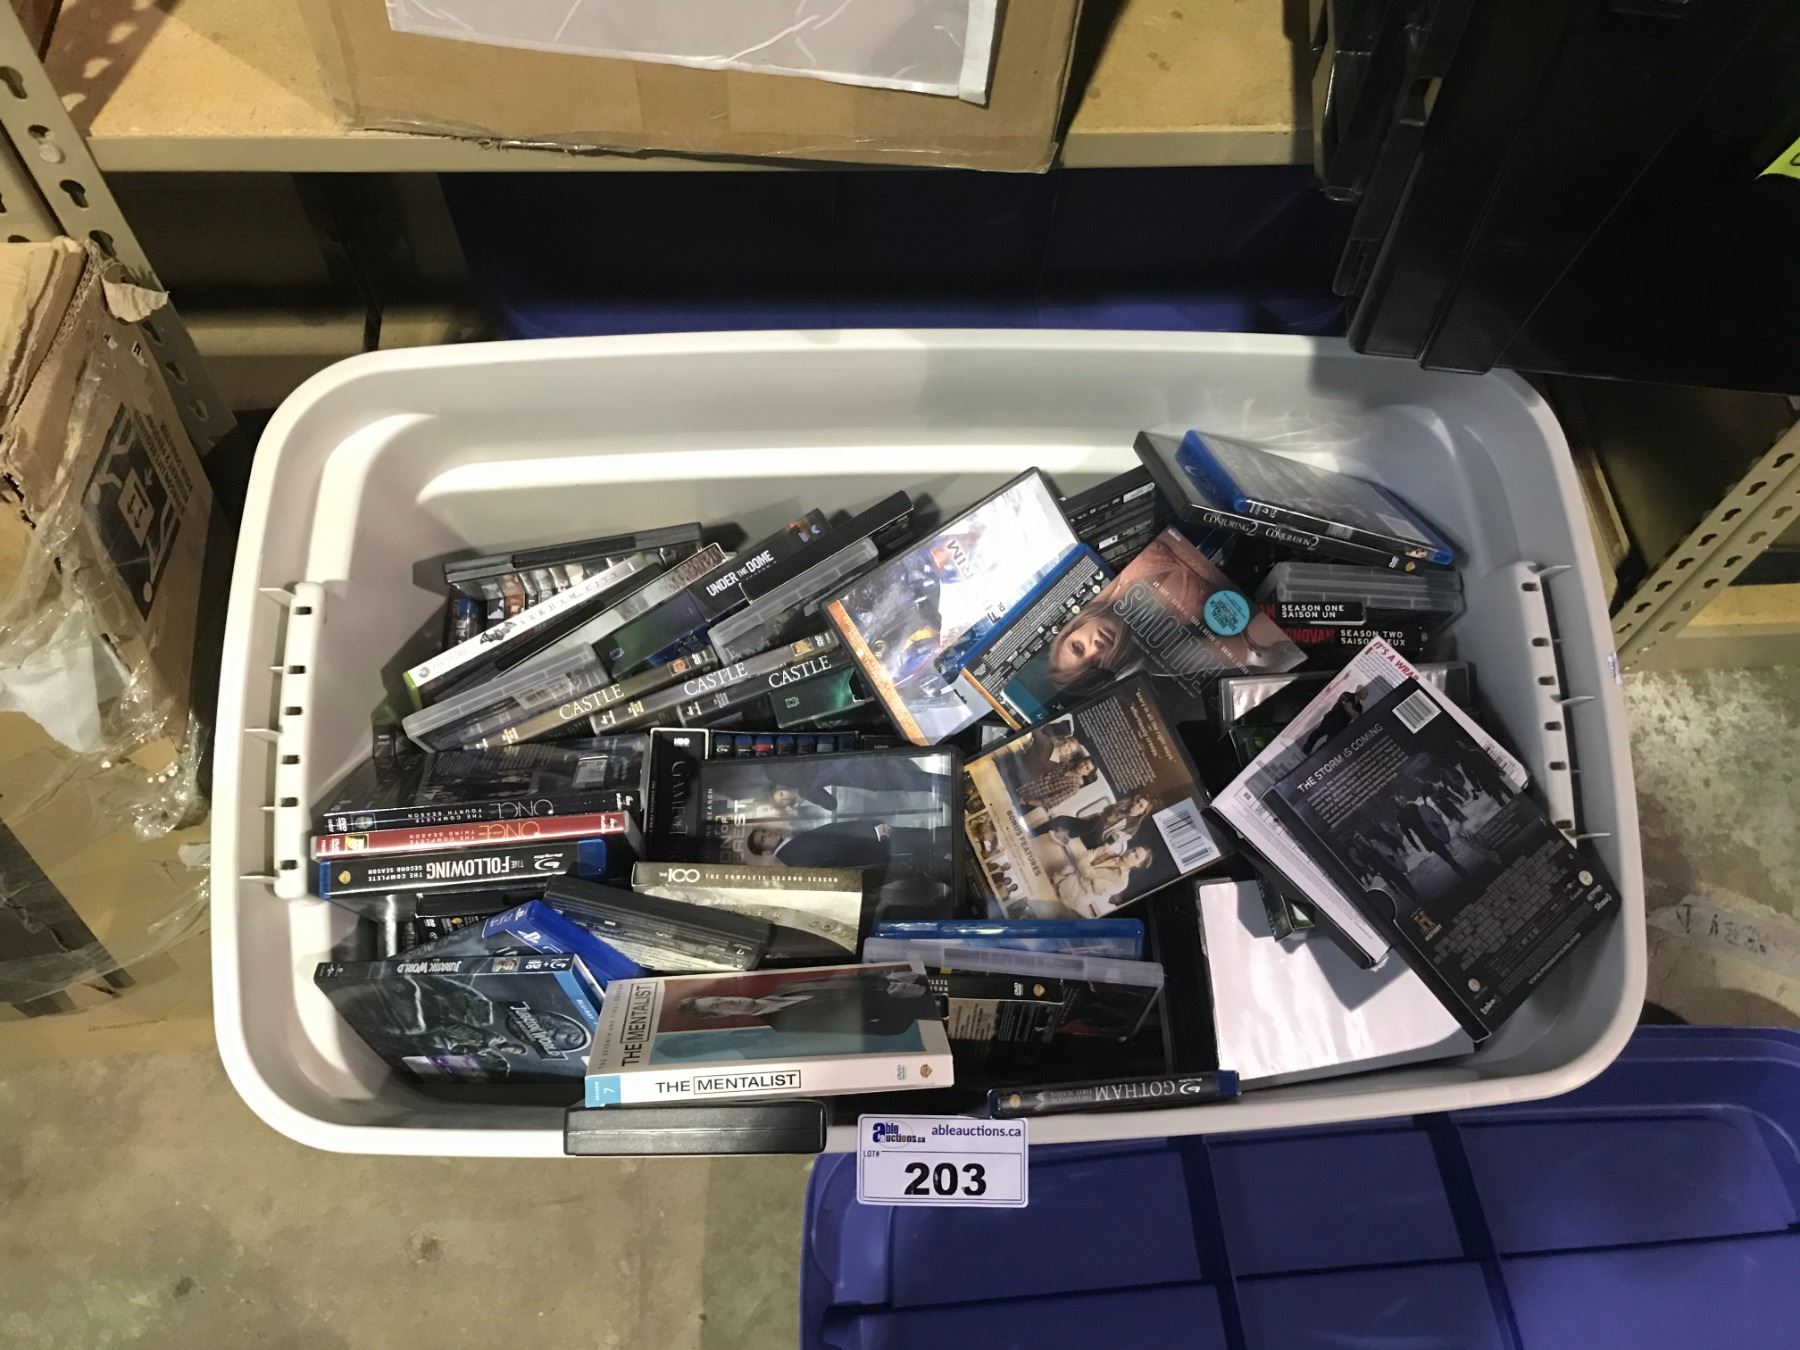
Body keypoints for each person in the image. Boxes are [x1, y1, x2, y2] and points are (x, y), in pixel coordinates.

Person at [676, 971, 934, 1038]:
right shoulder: (782, 1027)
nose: (728, 1001)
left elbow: (848, 980)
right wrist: (900, 1008)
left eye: (719, 998)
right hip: (912, 1009)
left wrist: (887, 977)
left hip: (911, 981)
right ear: (719, 1016)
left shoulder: (784, 988)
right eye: (719, 1006)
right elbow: (864, 1030)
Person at [1040, 795, 1152, 851]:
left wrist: (1095, 854)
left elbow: (1109, 842)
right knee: (1062, 819)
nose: (1136, 805)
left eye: (1140, 806)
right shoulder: (1120, 807)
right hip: (1087, 828)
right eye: (1137, 801)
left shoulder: (1132, 826)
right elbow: (1096, 816)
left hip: (1095, 842)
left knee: (1098, 821)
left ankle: (1066, 837)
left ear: (1143, 812)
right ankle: (1033, 833)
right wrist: (1077, 820)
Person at [1302, 687, 1366, 755]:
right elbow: (1346, 706)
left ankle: (1316, 755)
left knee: (1329, 744)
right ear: (1359, 691)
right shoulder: (1347, 695)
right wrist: (1351, 711)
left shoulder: (1359, 707)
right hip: (1331, 720)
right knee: (1316, 734)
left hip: (1340, 727)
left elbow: (1356, 716)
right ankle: (1306, 750)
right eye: (1365, 693)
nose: (1366, 695)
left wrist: (1350, 709)